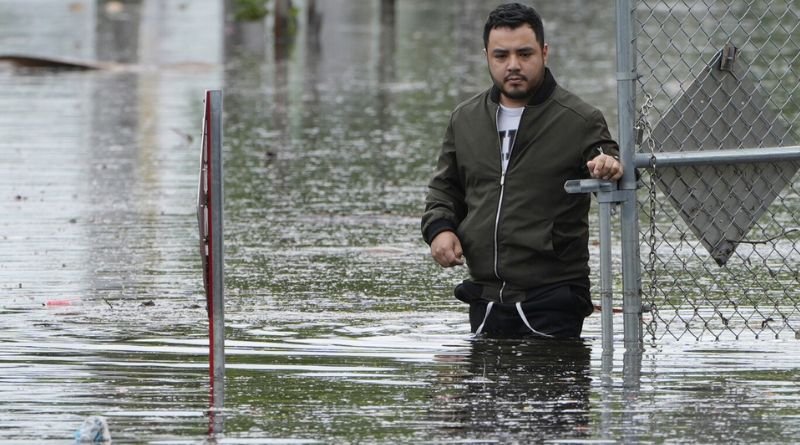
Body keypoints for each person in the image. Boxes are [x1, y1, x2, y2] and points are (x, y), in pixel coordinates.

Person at [421, 2, 623, 339]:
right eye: (501, 56)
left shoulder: (579, 118)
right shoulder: (465, 118)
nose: (513, 65)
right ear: (486, 54)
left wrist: (607, 164)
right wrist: (439, 230)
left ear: (544, 52)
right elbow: (445, 189)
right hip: (485, 298)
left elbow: (605, 153)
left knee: (552, 387)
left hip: (554, 298)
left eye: (524, 53)